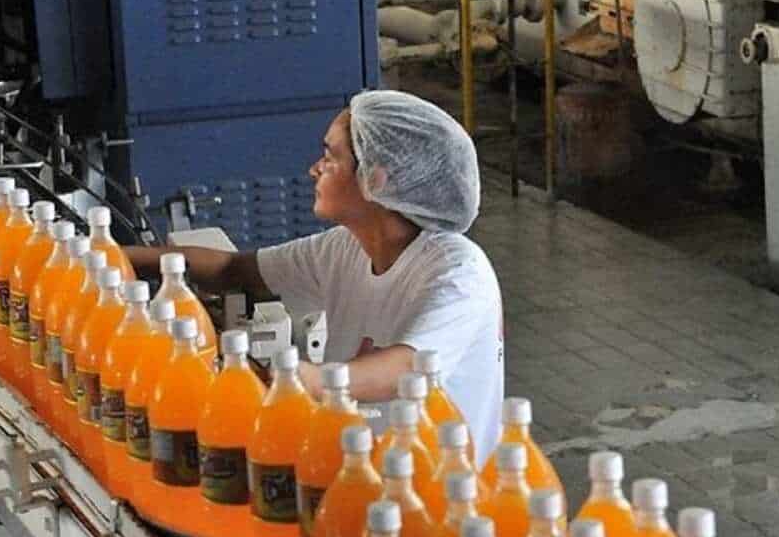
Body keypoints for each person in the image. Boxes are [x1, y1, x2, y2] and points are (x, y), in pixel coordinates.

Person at [124, 90, 504, 464]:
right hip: (359, 467)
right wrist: (117, 256)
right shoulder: (345, 248)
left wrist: (310, 379)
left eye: (330, 157)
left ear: (377, 180)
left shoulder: (457, 272)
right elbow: (232, 269)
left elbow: (411, 368)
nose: (314, 169)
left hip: (440, 486)